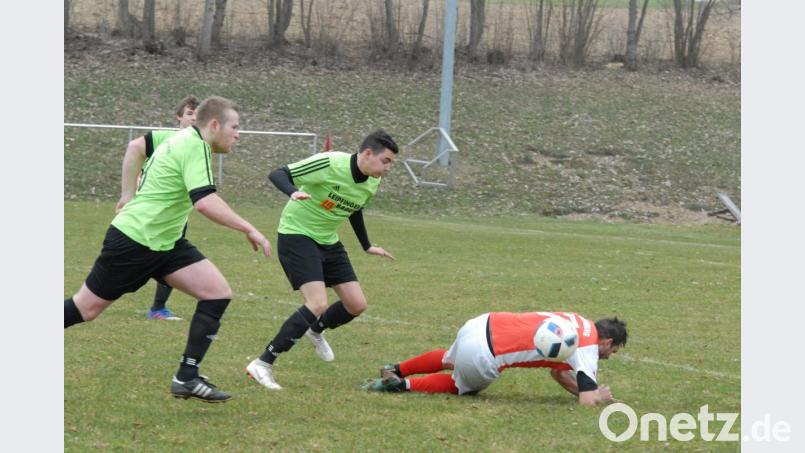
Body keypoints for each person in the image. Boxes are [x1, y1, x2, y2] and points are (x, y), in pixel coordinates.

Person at [64, 96, 273, 403]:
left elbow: (137, 148)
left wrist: (128, 195)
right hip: (135, 241)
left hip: (165, 242)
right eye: (235, 127)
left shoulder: (184, 140)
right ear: (214, 125)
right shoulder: (193, 145)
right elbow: (205, 202)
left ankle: (186, 377)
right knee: (85, 309)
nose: (238, 134)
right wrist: (248, 227)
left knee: (216, 292)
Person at [246, 129, 399, 390]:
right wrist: (292, 192)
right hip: (297, 234)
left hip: (328, 240)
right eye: (386, 161)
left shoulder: (372, 181)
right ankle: (262, 363)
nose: (387, 168)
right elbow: (278, 173)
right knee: (317, 303)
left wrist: (366, 245)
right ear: (368, 153)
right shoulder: (330, 163)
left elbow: (355, 209)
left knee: (356, 304)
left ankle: (315, 330)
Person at [360, 311, 627, 406]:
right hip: (484, 355)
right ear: (607, 342)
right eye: (611, 352)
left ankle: (395, 368)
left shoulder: (576, 320)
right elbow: (587, 400)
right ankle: (401, 385)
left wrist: (581, 388)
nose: (608, 357)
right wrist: (598, 396)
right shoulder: (587, 348)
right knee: (459, 386)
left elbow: (558, 372)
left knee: (449, 358)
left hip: (481, 323)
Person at [115, 95, 200, 321]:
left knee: (167, 255)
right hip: (149, 213)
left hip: (174, 215)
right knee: (144, 255)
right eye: (190, 113)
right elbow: (135, 149)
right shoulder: (168, 138)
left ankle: (158, 308)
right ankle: (99, 292)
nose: (194, 118)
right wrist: (128, 194)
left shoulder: (200, 146)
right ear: (179, 117)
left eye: (198, 115)